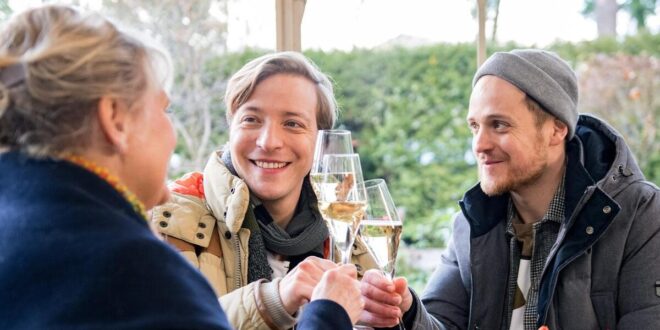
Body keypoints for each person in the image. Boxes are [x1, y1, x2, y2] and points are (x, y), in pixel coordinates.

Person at [0, 5, 363, 329]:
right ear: (114, 119)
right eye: (164, 110)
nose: (269, 141)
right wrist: (328, 314)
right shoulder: (130, 266)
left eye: (293, 123)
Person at [360, 49, 660, 329]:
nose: (479, 145)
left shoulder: (641, 216)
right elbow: (442, 321)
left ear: (556, 129)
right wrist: (409, 310)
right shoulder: (472, 225)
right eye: (474, 126)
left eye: (499, 125)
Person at [151, 51, 377, 329]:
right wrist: (274, 299)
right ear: (231, 128)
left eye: (292, 123)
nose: (269, 142)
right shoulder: (167, 221)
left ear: (321, 143)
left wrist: (401, 317)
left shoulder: (350, 234)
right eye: (251, 120)